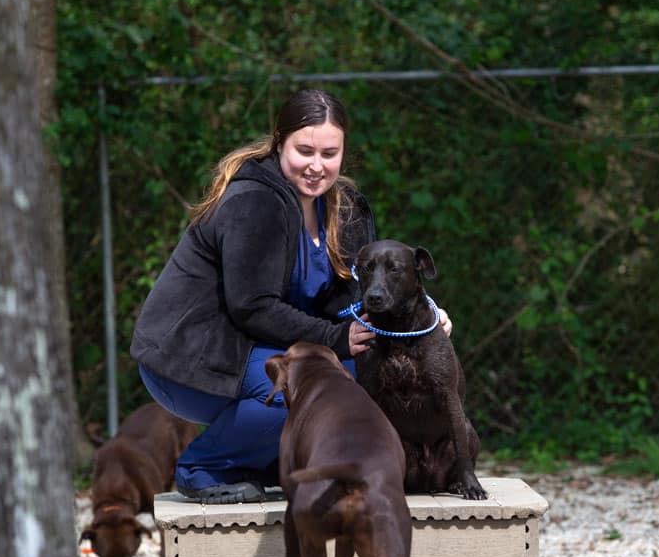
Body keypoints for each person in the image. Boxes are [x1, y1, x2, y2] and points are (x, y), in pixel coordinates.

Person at [130, 89, 450, 504]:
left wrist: (427, 317)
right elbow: (252, 307)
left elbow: (357, 298)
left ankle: (270, 464)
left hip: (254, 351)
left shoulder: (345, 207)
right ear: (280, 141)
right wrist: (336, 340)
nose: (317, 166)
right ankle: (202, 467)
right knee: (313, 384)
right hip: (188, 358)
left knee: (364, 373)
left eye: (329, 153)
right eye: (304, 151)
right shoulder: (253, 203)